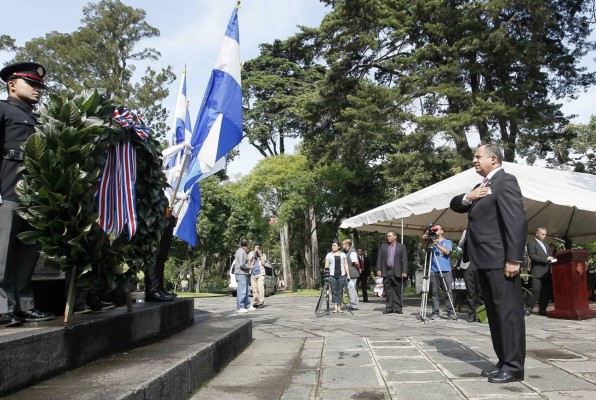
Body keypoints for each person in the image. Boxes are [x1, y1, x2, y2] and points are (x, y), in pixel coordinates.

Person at [450, 144, 527, 384]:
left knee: (508, 313)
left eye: (478, 156)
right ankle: (503, 361)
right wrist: (468, 197)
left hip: (500, 260)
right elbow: (456, 204)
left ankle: (514, 367)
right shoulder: (480, 186)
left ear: (493, 159)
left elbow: (516, 221)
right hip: (482, 260)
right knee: (494, 315)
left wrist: (514, 258)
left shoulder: (505, 182)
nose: (474, 160)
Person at [0, 62, 55, 326]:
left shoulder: (41, 121)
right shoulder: (3, 110)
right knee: (3, 254)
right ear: (12, 85)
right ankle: (3, 308)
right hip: (7, 192)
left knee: (27, 255)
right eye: (31, 84)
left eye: (39, 86)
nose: (37, 90)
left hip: (34, 199)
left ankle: (24, 305)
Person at [422, 224, 456, 321]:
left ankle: (450, 313)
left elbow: (447, 252)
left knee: (448, 292)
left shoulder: (447, 242)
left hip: (445, 270)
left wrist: (437, 244)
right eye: (433, 229)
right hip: (433, 270)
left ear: (441, 231)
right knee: (434, 293)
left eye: (436, 229)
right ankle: (435, 313)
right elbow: (424, 249)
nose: (435, 231)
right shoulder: (430, 241)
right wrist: (423, 239)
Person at [525, 228, 555, 317]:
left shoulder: (546, 245)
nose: (544, 236)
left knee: (545, 292)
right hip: (537, 272)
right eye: (543, 234)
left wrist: (553, 259)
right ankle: (528, 308)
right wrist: (546, 259)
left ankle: (542, 309)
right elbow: (532, 256)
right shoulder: (531, 243)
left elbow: (550, 255)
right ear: (537, 234)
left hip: (546, 272)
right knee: (535, 290)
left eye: (545, 234)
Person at [376, 230, 408, 314]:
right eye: (387, 236)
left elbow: (405, 260)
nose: (388, 237)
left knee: (397, 290)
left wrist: (404, 271)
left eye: (390, 236)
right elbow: (380, 259)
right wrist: (379, 270)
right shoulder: (383, 246)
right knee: (388, 290)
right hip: (386, 271)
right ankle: (389, 307)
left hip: (397, 271)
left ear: (395, 237)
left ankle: (397, 307)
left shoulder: (401, 247)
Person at [458, 230, 484, 323]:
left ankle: (482, 315)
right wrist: (466, 236)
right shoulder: (466, 232)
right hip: (467, 264)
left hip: (480, 264)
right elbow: (460, 245)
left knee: (481, 292)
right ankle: (471, 315)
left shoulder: (483, 230)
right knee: (470, 292)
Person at [324, 240, 350, 313]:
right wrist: (326, 273)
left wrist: (348, 275)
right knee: (334, 291)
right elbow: (326, 265)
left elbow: (346, 265)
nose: (333, 247)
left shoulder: (343, 255)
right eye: (332, 245)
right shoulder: (329, 255)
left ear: (339, 247)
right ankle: (335, 307)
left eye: (335, 245)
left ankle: (339, 307)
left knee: (340, 291)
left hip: (342, 275)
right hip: (332, 275)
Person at [234, 238, 252, 313]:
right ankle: (240, 306)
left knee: (246, 290)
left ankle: (246, 305)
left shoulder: (242, 251)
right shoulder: (241, 252)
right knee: (242, 291)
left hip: (244, 273)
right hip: (241, 273)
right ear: (247, 244)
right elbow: (242, 264)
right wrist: (250, 267)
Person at [342, 239, 360, 311]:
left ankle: (354, 305)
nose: (342, 245)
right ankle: (354, 304)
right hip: (348, 273)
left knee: (351, 289)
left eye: (343, 244)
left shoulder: (352, 252)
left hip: (352, 273)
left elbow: (356, 262)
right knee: (351, 290)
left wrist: (359, 269)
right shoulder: (346, 252)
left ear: (347, 244)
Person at [248, 242, 267, 309]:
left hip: (260, 274)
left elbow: (263, 263)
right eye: (256, 247)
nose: (257, 248)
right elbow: (249, 259)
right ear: (254, 247)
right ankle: (256, 302)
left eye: (258, 247)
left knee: (260, 288)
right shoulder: (251, 253)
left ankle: (261, 302)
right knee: (254, 289)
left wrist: (260, 255)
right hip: (253, 274)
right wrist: (254, 252)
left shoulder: (263, 254)